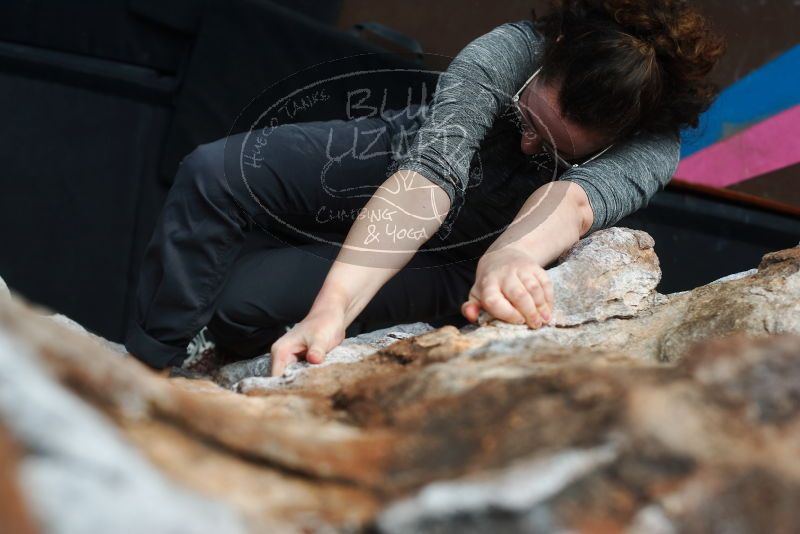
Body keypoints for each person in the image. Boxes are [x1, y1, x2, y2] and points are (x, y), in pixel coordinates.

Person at [124, 0, 725, 376]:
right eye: (526, 122)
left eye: (556, 149)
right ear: (554, 56)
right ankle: (149, 367)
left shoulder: (652, 145)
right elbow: (428, 176)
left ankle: (266, 324)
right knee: (214, 170)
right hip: (403, 161)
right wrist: (334, 307)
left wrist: (509, 256)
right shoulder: (513, 48)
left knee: (240, 310)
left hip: (461, 247)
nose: (528, 147)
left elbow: (570, 202)